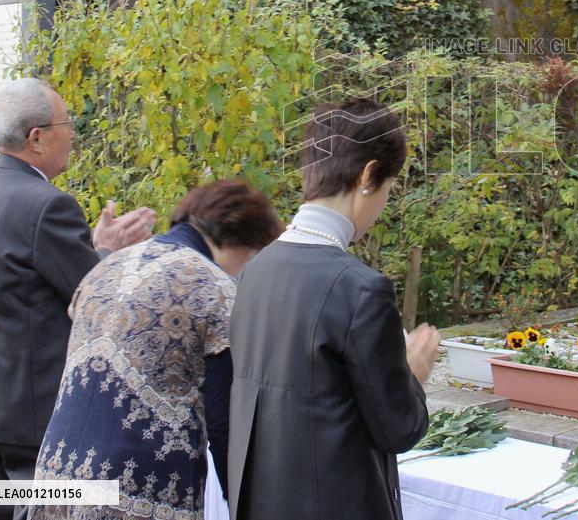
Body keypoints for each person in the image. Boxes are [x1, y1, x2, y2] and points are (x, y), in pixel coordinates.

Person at [227, 97, 440, 520]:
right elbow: (398, 428)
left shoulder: (256, 270)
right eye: (389, 187)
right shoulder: (360, 290)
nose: (384, 203)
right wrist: (412, 373)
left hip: (261, 502)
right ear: (368, 176)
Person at [0, 78, 155, 520]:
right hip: (36, 413)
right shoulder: (47, 205)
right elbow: (95, 296)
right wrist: (108, 252)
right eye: (66, 124)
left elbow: (29, 277)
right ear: (36, 138)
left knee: (0, 507)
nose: (72, 135)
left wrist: (95, 247)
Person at [31, 179, 283, 520]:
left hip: (55, 471)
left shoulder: (105, 268)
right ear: (248, 244)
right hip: (137, 487)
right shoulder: (215, 290)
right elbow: (224, 425)